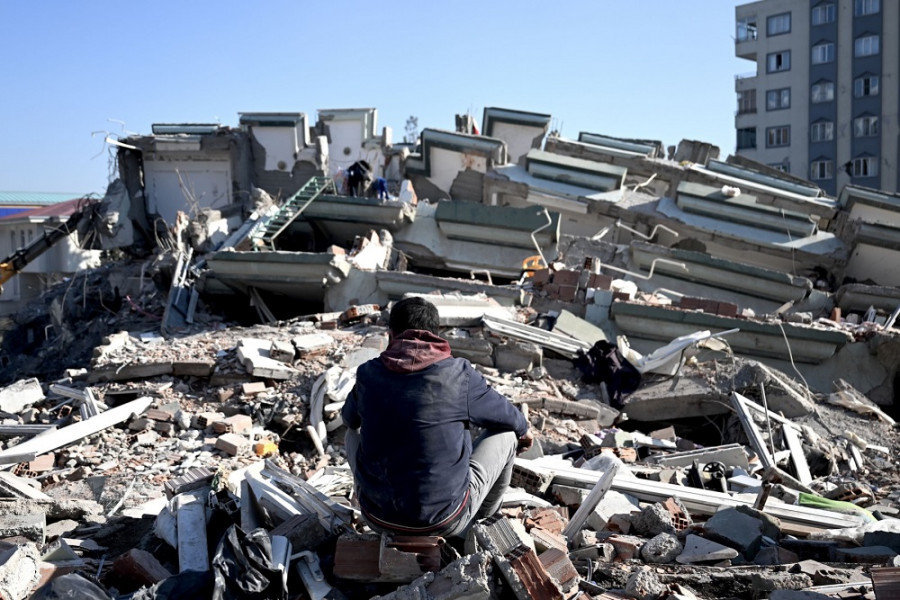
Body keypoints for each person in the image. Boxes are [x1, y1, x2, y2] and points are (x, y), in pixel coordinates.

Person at [342, 297, 532, 538]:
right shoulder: (459, 374)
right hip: (444, 521)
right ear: (437, 336)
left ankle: (377, 503)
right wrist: (524, 432)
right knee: (507, 435)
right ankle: (479, 524)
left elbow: (349, 421)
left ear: (391, 336)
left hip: (378, 518)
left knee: (352, 433)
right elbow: (510, 419)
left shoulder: (368, 373)